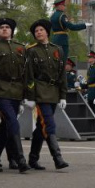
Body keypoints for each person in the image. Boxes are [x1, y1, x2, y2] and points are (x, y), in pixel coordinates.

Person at [0, 18, 31, 173]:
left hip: (17, 91)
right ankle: (20, 159)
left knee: (5, 127)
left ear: (12, 30)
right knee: (12, 123)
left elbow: (25, 73)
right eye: (1, 27)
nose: (4, 29)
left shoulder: (21, 48)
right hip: (1, 89)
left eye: (7, 27)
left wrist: (25, 95)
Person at [25, 18, 69, 170]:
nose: (38, 33)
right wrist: (30, 97)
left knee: (41, 127)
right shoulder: (31, 51)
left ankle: (32, 159)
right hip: (40, 92)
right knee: (49, 124)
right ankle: (58, 158)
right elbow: (29, 75)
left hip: (54, 92)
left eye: (41, 30)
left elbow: (62, 73)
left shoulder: (57, 50)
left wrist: (63, 95)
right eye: (36, 31)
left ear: (47, 32)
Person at [49, 0, 89, 65]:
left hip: (54, 40)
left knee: (56, 60)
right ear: (59, 6)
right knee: (63, 61)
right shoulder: (62, 16)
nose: (64, 7)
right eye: (63, 5)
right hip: (62, 40)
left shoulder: (52, 16)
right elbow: (72, 27)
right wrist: (84, 25)